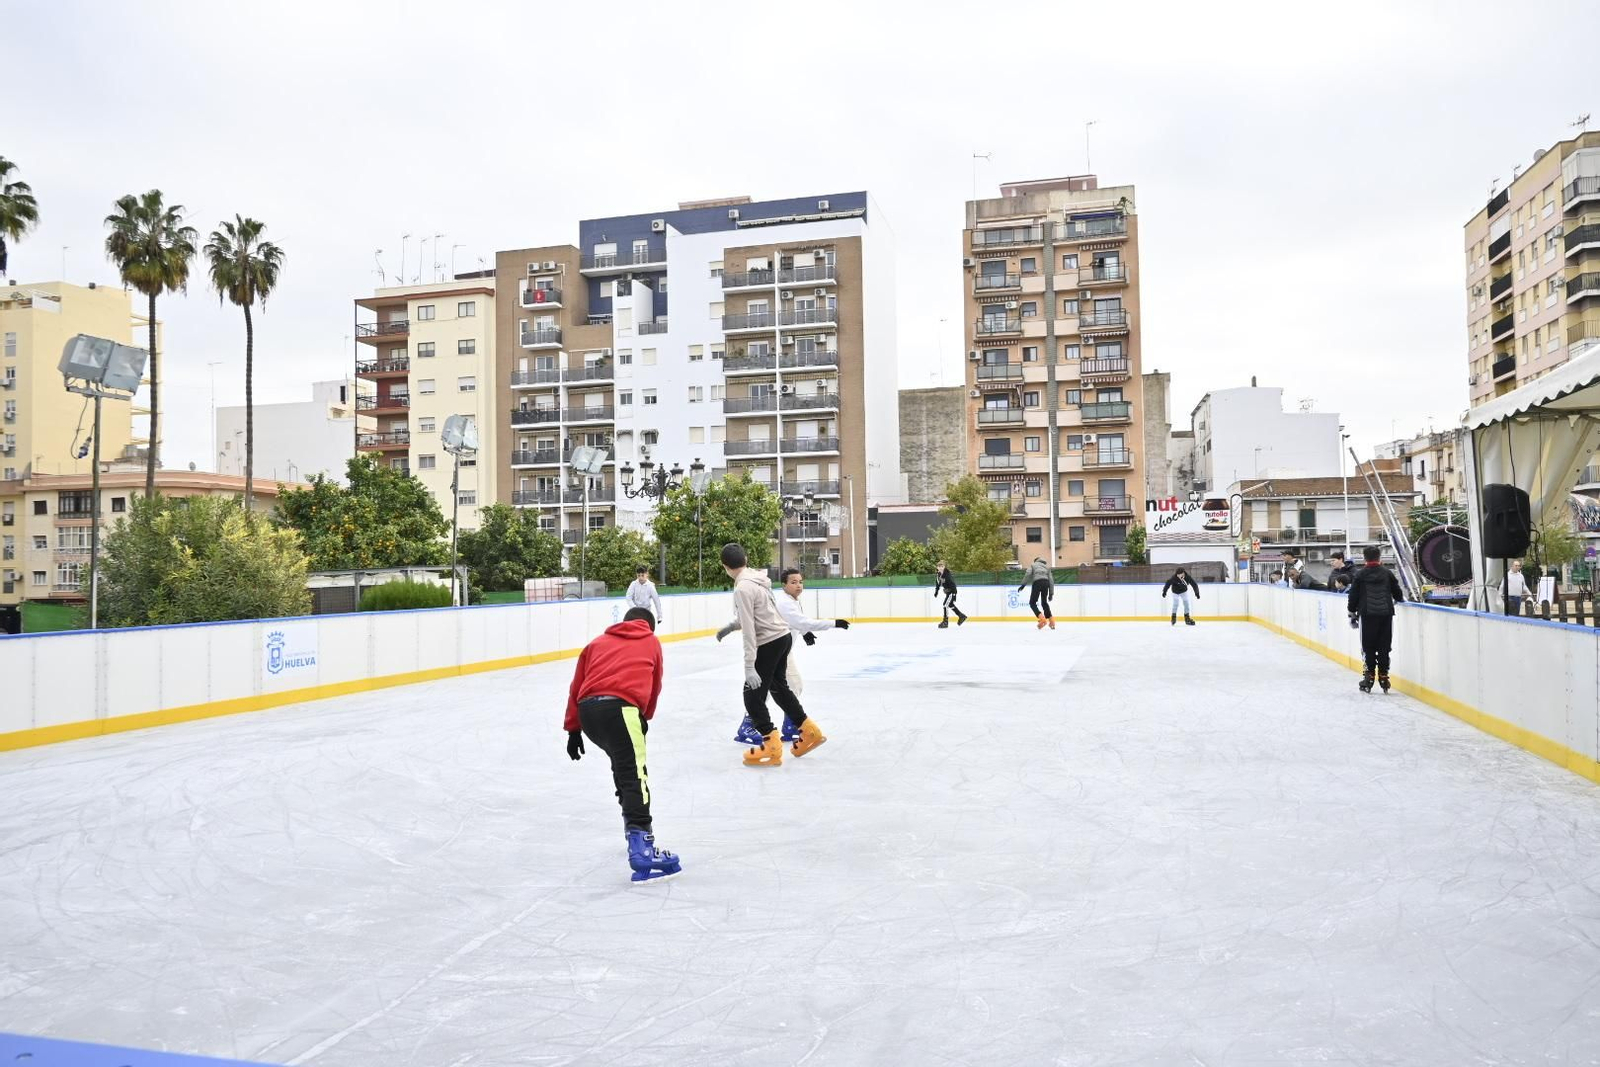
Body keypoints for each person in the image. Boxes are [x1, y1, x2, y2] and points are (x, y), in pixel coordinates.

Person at [564, 607, 679, 882]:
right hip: (622, 709)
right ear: (649, 627)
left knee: (622, 768)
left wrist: (573, 729)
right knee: (635, 775)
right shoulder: (650, 641)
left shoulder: (597, 643)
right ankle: (642, 846)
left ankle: (634, 834)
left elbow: (576, 685)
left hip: (588, 713)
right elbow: (655, 684)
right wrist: (644, 716)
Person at [718, 566, 850, 744]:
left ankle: (789, 726)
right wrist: (834, 623)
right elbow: (802, 621)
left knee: (785, 687)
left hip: (781, 649)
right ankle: (750, 726)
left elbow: (796, 622)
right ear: (784, 585)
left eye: (800, 582)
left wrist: (804, 633)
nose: (798, 585)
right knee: (772, 688)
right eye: (793, 582)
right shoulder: (784, 602)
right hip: (774, 647)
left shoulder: (791, 600)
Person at [721, 542, 826, 767]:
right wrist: (732, 625)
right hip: (783, 636)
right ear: (745, 560)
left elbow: (750, 629)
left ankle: (771, 745)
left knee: (752, 696)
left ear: (725, 567)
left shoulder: (742, 588)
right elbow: (757, 614)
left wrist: (750, 666)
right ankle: (810, 731)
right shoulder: (758, 579)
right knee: (778, 687)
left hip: (768, 641)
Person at [1347, 545, 1405, 693]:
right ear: (1379, 557)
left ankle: (1369, 676)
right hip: (1385, 614)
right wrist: (1399, 599)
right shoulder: (1387, 573)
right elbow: (1397, 592)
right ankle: (1384, 676)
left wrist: (1351, 611)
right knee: (1384, 647)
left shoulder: (1360, 574)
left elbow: (1353, 595)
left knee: (1368, 647)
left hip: (1367, 615)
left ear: (1364, 558)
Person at [1017, 557, 1055, 630]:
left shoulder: (1033, 565)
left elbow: (1028, 574)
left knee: (1032, 603)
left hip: (1037, 583)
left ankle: (1042, 619)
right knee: (1044, 603)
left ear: (1035, 561)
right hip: (1046, 583)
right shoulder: (1047, 568)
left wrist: (1023, 585)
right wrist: (1051, 593)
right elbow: (1051, 581)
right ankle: (1052, 621)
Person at [933, 560, 967, 628]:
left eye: (942, 566)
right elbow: (937, 583)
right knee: (950, 604)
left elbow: (953, 585)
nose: (940, 568)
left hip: (951, 592)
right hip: (948, 593)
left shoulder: (947, 575)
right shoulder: (939, 574)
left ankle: (945, 622)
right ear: (937, 567)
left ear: (944, 567)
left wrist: (954, 595)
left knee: (945, 605)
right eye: (939, 566)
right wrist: (936, 591)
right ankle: (961, 616)